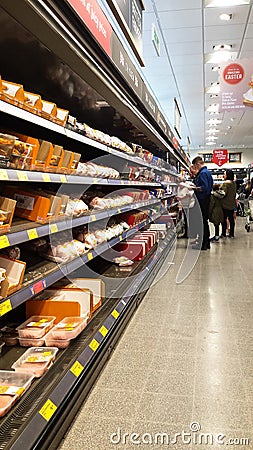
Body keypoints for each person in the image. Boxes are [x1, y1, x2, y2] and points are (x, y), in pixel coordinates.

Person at [191, 156, 213, 250]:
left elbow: (204, 187)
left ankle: (203, 244)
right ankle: (206, 243)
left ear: (198, 163)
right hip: (206, 199)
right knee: (204, 222)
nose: (195, 168)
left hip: (202, 200)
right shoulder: (207, 172)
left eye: (195, 166)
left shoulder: (203, 173)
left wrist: (194, 188)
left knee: (202, 222)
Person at [220, 169, 237, 238]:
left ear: (227, 175)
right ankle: (231, 234)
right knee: (231, 219)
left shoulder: (225, 183)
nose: (223, 175)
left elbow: (222, 194)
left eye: (224, 174)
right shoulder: (234, 183)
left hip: (225, 204)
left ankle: (223, 233)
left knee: (223, 219)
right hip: (232, 204)